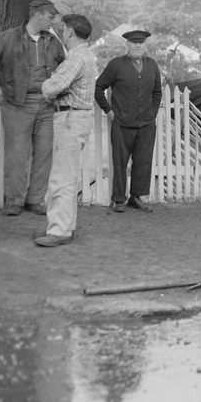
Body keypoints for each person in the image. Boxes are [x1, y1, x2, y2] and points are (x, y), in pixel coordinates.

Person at [0, 0, 65, 216]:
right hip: (18, 103)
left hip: (47, 104)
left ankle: (35, 199)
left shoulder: (53, 41)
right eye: (50, 17)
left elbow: (64, 66)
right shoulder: (8, 37)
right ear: (38, 15)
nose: (53, 22)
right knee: (17, 154)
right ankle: (14, 201)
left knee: (44, 153)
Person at [32, 14, 98, 247]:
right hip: (76, 117)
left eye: (63, 30)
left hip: (69, 117)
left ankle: (59, 230)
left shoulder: (76, 59)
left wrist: (46, 83)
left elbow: (52, 88)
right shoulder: (86, 56)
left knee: (61, 177)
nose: (61, 32)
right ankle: (64, 227)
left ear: (70, 32)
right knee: (67, 176)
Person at [95, 29, 162, 213]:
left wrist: (153, 112)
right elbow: (99, 87)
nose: (138, 46)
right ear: (127, 45)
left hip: (147, 124)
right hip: (122, 123)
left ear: (145, 45)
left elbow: (157, 92)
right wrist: (109, 111)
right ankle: (118, 199)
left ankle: (136, 197)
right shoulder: (116, 65)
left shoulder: (152, 65)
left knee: (143, 162)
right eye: (134, 42)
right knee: (120, 162)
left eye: (141, 43)